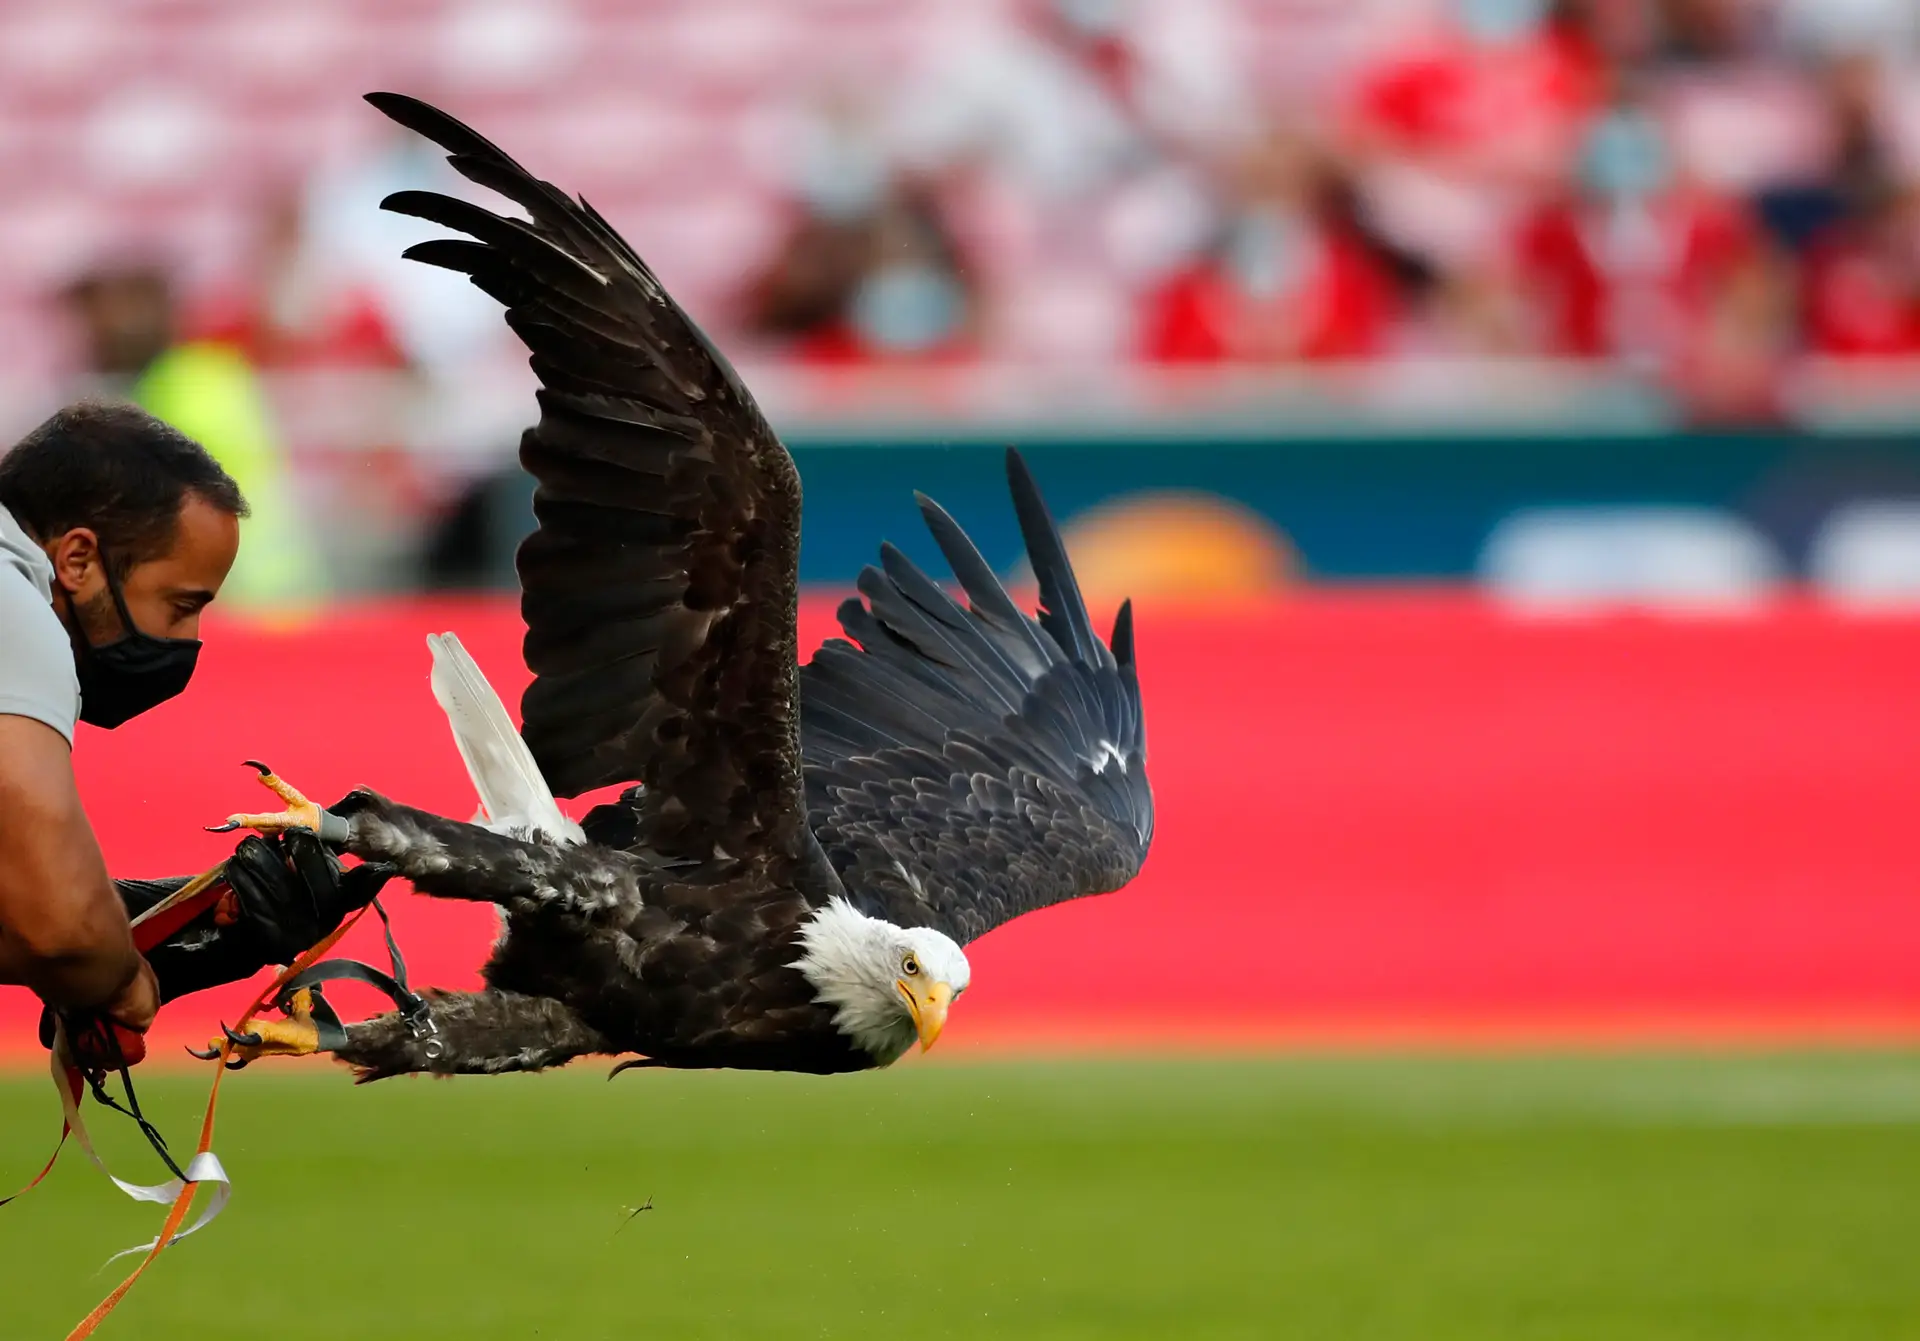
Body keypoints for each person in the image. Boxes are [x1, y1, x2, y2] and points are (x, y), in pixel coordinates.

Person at [0, 401, 365, 1072]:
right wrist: (129, 982)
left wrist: (160, 916)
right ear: (77, 559)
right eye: (180, 604)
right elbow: (60, 929)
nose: (188, 640)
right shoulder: (15, 607)